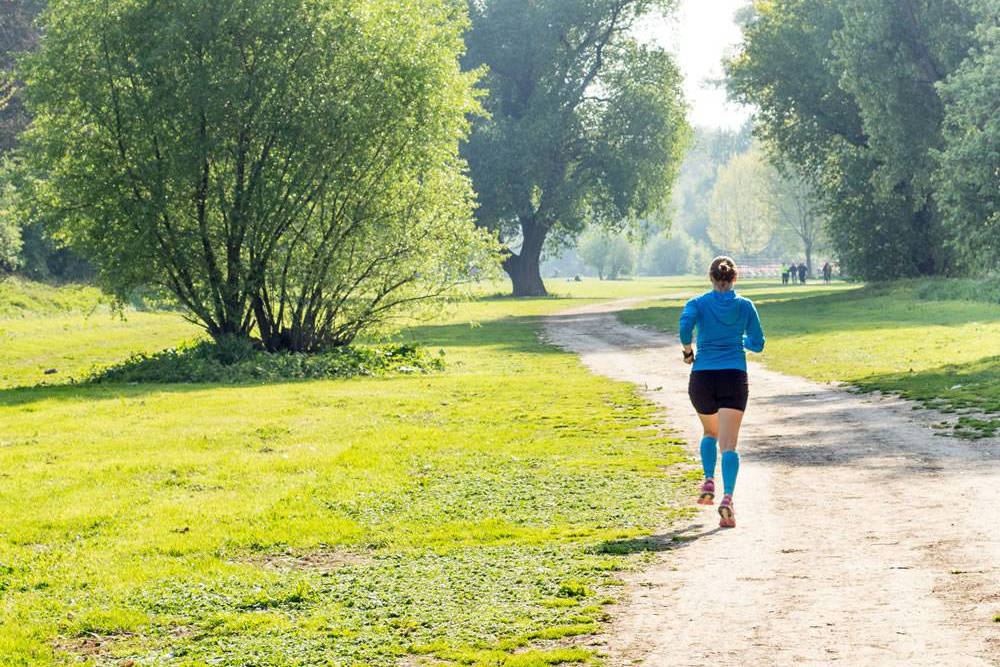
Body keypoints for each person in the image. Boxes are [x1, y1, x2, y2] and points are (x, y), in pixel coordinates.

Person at [679, 256, 765, 528]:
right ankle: (727, 498)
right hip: (733, 376)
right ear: (734, 279)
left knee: (709, 432)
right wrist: (739, 339)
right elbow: (758, 343)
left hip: (703, 377)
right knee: (728, 445)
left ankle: (708, 479)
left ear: (711, 278)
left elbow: (684, 328)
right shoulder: (745, 306)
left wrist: (688, 351)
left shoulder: (697, 303)